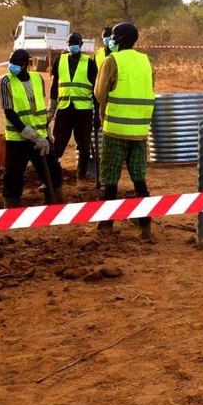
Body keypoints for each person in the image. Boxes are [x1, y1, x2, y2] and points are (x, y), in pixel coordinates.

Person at [93, 22, 156, 241]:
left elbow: (100, 93)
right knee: (139, 176)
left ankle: (107, 224)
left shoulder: (112, 60)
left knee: (110, 176)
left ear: (117, 40)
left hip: (116, 129)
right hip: (140, 130)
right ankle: (145, 226)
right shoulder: (145, 61)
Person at [0, 48, 64, 208]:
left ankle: (56, 203)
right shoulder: (5, 81)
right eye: (11, 61)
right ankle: (11, 210)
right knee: (13, 176)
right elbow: (10, 113)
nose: (12, 65)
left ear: (26, 64)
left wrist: (46, 134)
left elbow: (38, 107)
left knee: (52, 171)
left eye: (16, 63)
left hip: (41, 137)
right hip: (18, 138)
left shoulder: (37, 79)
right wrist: (32, 136)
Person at [49, 32, 98, 180]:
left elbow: (95, 91)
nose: (72, 46)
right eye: (70, 43)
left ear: (81, 45)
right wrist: (52, 107)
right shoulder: (59, 61)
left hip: (84, 111)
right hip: (64, 109)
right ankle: (52, 178)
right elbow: (54, 86)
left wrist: (98, 115)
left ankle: (81, 178)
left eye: (75, 43)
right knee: (57, 144)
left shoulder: (89, 63)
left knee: (84, 147)